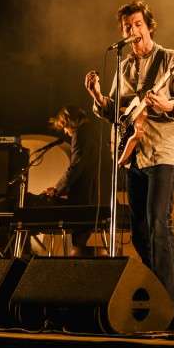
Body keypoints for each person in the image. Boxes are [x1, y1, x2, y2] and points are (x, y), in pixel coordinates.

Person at [84, 0, 174, 328]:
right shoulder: (123, 67)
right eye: (127, 27)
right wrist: (97, 96)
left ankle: (170, 304)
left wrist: (167, 104)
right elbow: (117, 113)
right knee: (138, 232)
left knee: (158, 223)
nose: (132, 31)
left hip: (163, 153)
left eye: (137, 25)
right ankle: (154, 295)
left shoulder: (172, 60)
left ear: (149, 26)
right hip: (132, 154)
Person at [38, 103, 112, 255]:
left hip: (86, 198)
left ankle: (75, 265)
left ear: (69, 122)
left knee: (76, 240)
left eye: (64, 127)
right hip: (100, 195)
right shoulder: (93, 131)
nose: (65, 132)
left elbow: (76, 167)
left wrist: (57, 189)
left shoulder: (81, 134)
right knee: (79, 239)